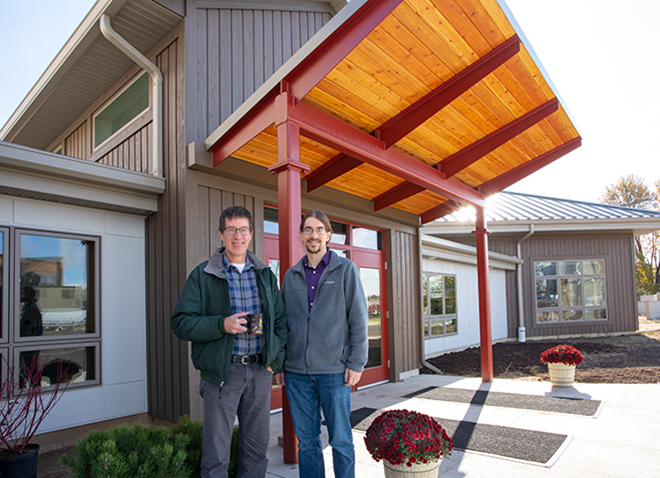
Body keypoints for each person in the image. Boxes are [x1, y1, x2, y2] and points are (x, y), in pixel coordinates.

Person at [171, 205, 287, 478]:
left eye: (243, 230)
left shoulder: (265, 275)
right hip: (223, 374)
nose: (238, 236)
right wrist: (220, 325)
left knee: (257, 449)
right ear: (221, 234)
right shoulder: (203, 275)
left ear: (251, 234)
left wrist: (275, 361)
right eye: (232, 230)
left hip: (259, 372)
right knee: (216, 453)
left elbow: (280, 322)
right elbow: (181, 322)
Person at [276, 210, 368, 478]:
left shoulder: (346, 270)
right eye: (308, 230)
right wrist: (280, 363)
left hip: (335, 373)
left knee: (340, 440)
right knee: (307, 444)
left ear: (328, 235)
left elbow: (359, 319)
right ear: (301, 235)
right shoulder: (291, 275)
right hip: (297, 375)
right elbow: (283, 324)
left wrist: (356, 362)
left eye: (319, 230)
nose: (313, 235)